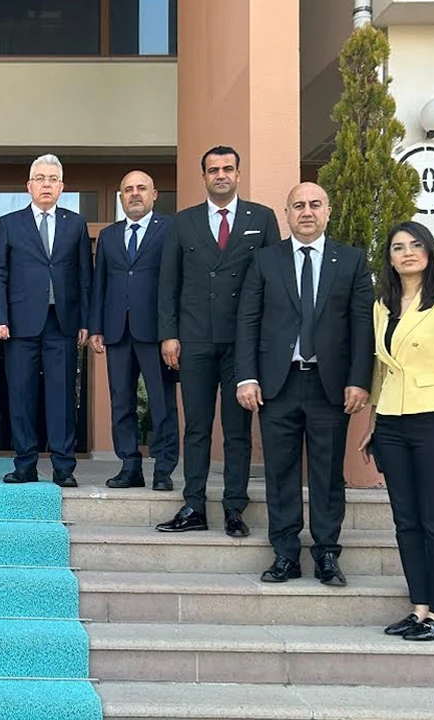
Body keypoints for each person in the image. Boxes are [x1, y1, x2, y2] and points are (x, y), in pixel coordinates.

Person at [234, 182, 374, 586]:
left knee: (328, 474)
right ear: (287, 213)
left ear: (328, 211)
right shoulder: (265, 259)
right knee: (280, 472)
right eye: (298, 205)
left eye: (315, 204)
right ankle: (285, 554)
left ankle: (327, 553)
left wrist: (359, 380)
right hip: (277, 385)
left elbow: (362, 325)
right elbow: (248, 320)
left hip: (330, 387)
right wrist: (247, 376)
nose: (307, 212)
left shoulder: (351, 261)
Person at [361, 220, 434, 641]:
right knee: (406, 520)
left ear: (429, 252)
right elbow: (381, 370)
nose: (407, 252)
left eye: (415, 245)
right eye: (398, 247)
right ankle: (420, 608)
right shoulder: (383, 306)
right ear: (389, 258)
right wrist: (373, 423)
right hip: (392, 423)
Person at [156, 146, 280, 537]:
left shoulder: (262, 218)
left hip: (242, 344)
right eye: (213, 169)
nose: (221, 174)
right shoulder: (184, 221)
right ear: (204, 177)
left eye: (228, 168)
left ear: (238, 174)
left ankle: (233, 507)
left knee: (237, 430)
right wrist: (168, 334)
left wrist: (266, 342)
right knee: (196, 427)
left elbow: (274, 282)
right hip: (194, 340)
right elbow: (168, 283)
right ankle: (194, 504)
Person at [0, 154, 91, 488]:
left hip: (63, 322)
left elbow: (84, 276)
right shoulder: (10, 222)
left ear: (62, 186)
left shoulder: (76, 224)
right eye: (40, 178)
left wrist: (86, 321)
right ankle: (25, 465)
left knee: (62, 397)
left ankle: (64, 467)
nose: (46, 184)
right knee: (21, 395)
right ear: (29, 185)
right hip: (19, 324)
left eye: (53, 179)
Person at [89, 170, 179, 490]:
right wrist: (96, 326)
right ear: (121, 197)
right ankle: (129, 466)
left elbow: (176, 282)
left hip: (156, 332)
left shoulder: (170, 229)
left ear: (154, 195)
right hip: (117, 331)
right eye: (128, 189)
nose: (135, 194)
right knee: (121, 402)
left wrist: (172, 332)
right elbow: (100, 283)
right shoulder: (110, 235)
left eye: (142, 188)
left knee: (161, 403)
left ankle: (163, 469)